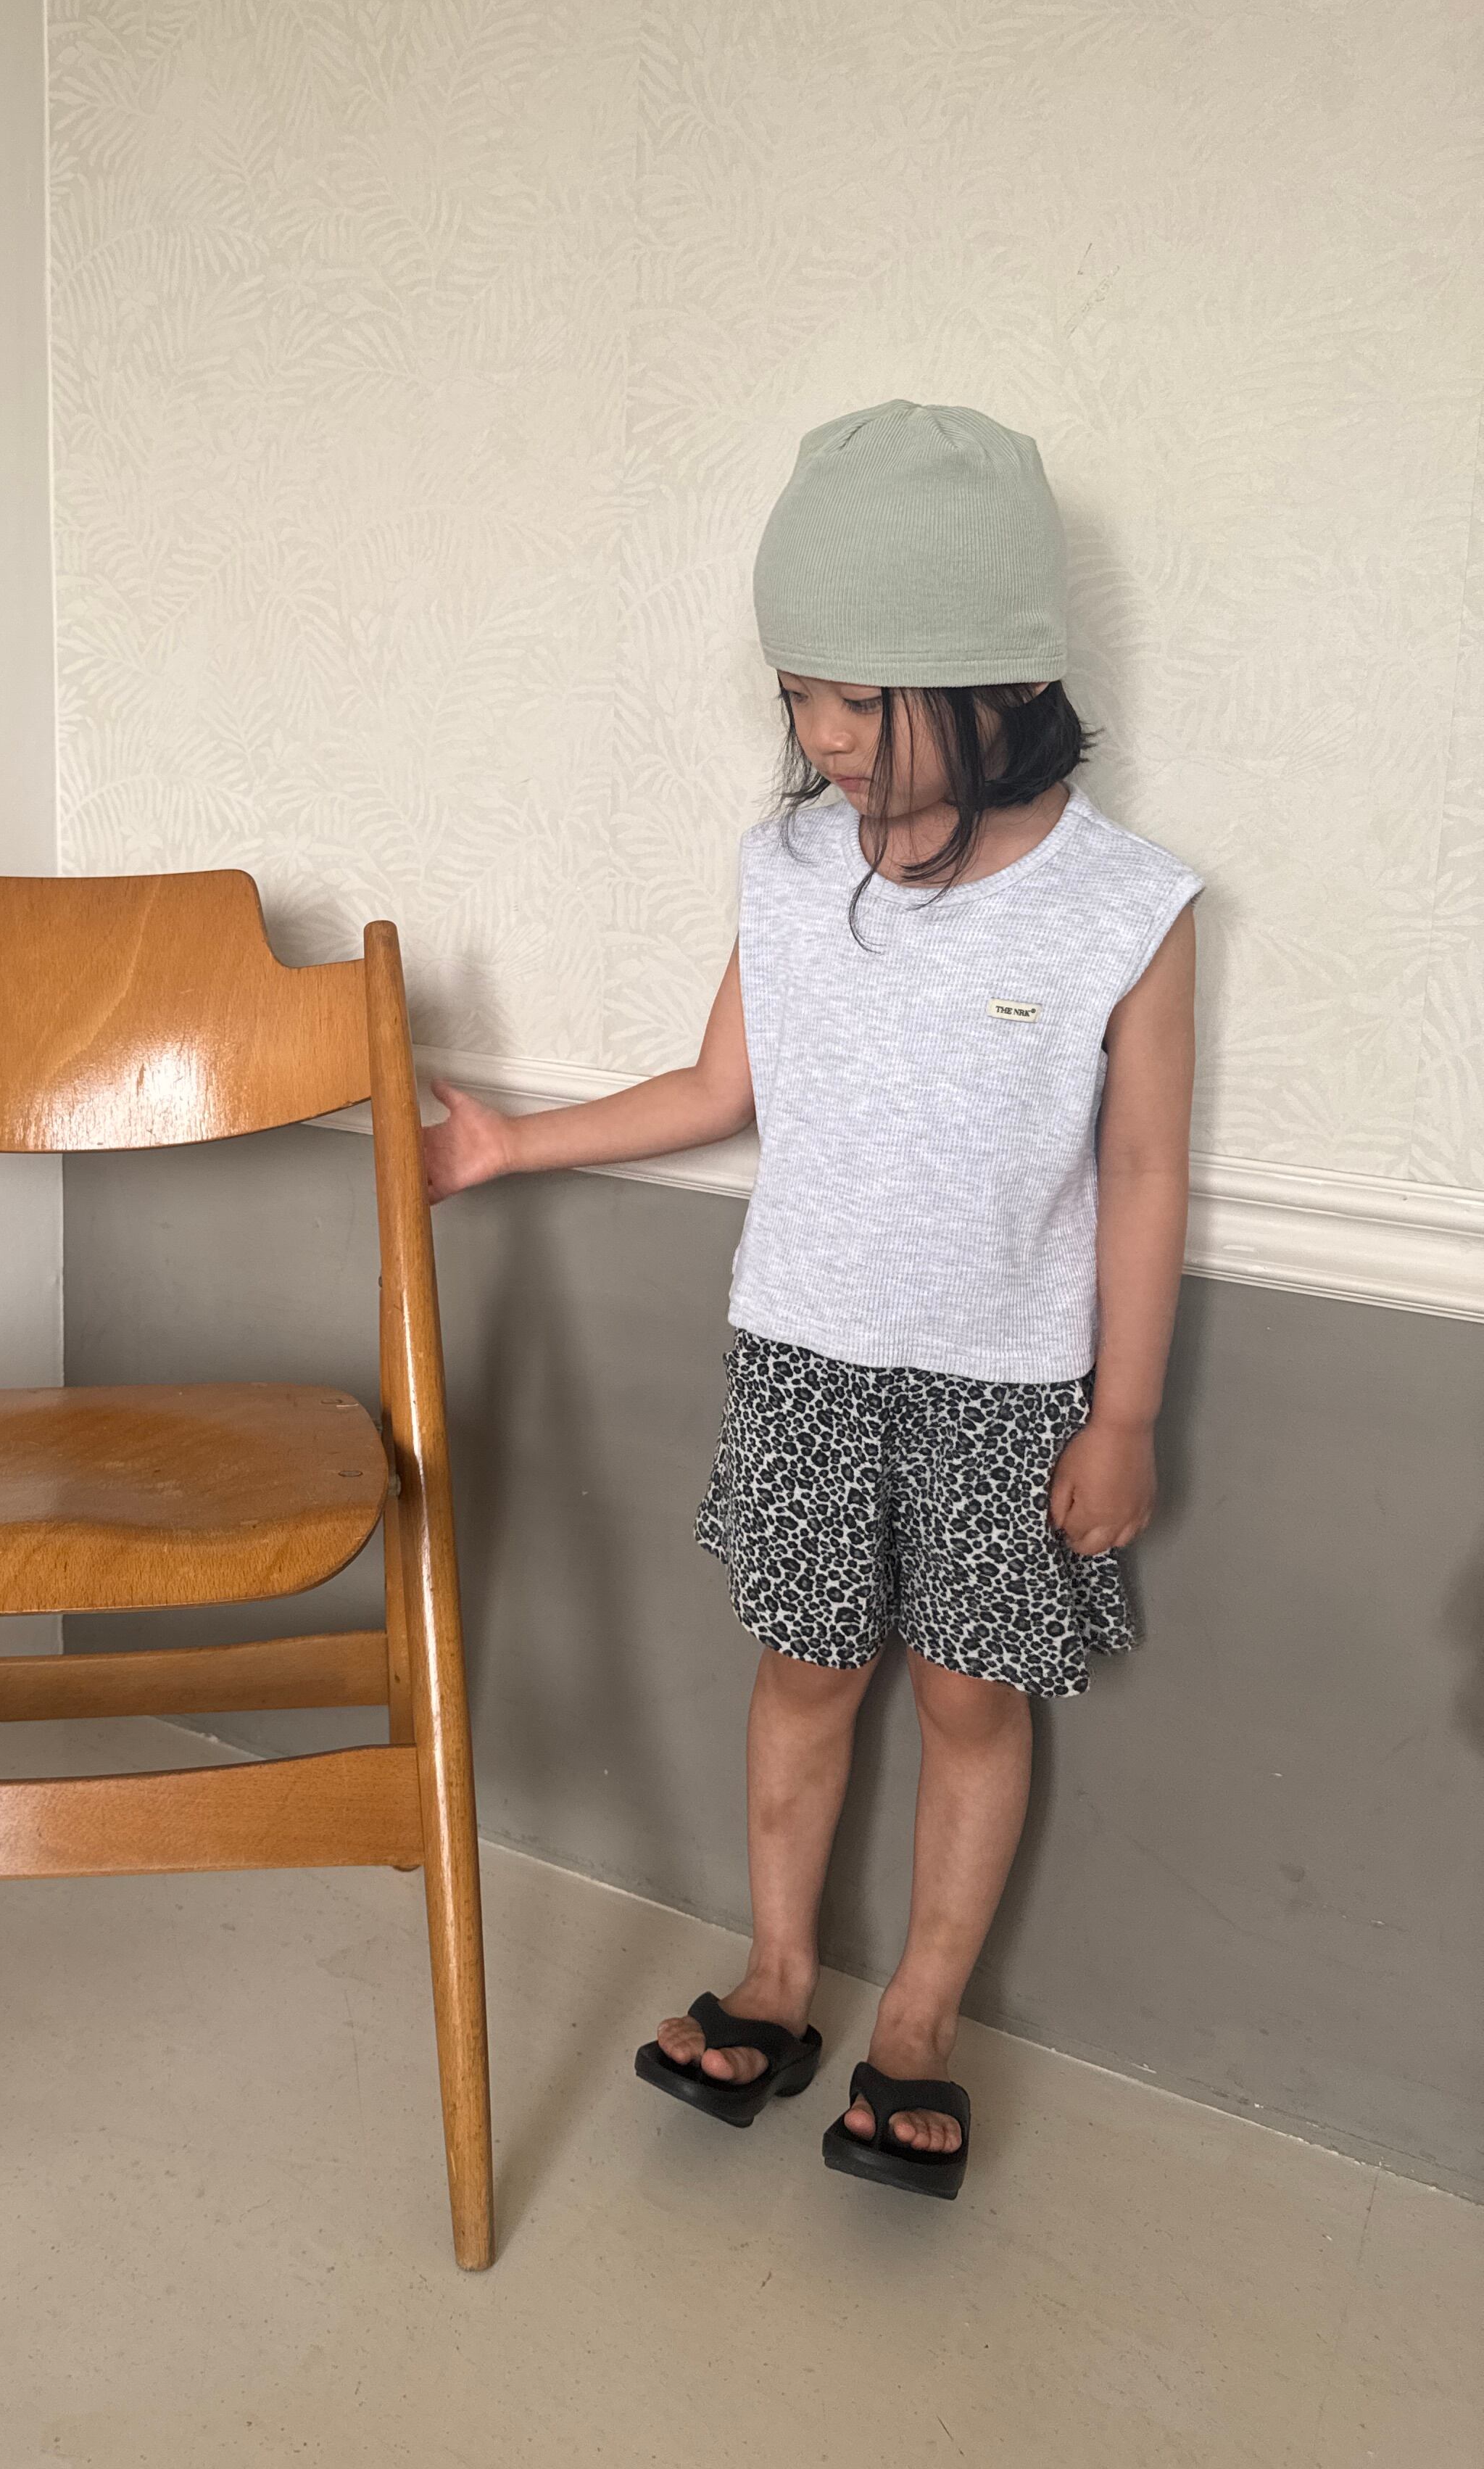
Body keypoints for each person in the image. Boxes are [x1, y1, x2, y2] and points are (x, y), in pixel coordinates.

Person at [423, 401, 1201, 2201]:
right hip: (803, 1363)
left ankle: (916, 2021)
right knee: (806, 1670)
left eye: (861, 698)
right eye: (798, 697)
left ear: (1007, 683)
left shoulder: (1124, 907)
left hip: (1012, 1391)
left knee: (972, 1702)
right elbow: (722, 1087)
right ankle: (778, 1976)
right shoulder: (784, 875)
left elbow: (1146, 1169)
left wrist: (1128, 1415)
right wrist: (510, 1147)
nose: (823, 738)